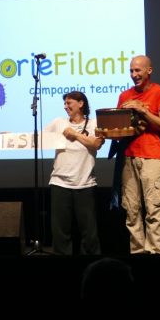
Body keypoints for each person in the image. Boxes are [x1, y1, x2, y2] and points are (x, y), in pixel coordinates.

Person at [117, 55, 160, 254]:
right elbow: (120, 130)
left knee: (153, 208)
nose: (134, 74)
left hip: (151, 156)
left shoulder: (159, 92)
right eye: (131, 70)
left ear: (149, 70)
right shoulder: (124, 96)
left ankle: (155, 252)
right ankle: (137, 253)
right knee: (131, 210)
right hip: (128, 156)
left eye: (138, 70)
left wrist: (143, 111)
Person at [44, 91, 104, 255]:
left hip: (85, 184)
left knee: (89, 233)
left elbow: (96, 144)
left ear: (81, 103)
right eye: (64, 103)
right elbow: (41, 137)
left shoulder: (94, 123)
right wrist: (13, 137)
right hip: (60, 183)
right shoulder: (59, 122)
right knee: (60, 232)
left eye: (69, 103)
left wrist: (74, 134)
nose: (65, 106)